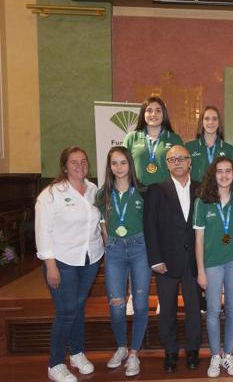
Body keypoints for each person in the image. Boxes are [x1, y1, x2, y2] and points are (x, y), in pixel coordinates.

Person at [35, 146, 104, 382]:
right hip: (62, 261)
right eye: (74, 162)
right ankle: (55, 363)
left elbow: (99, 222)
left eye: (83, 161)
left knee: (78, 307)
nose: (80, 165)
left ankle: (76, 352)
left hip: (90, 258)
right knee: (66, 312)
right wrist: (51, 266)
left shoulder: (94, 190)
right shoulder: (51, 195)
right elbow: (42, 233)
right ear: (65, 166)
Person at [143, 145, 201, 373]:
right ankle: (170, 351)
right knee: (166, 308)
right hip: (166, 261)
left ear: (190, 162)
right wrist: (155, 259)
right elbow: (150, 227)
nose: (177, 162)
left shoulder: (201, 189)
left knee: (194, 307)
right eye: (172, 159)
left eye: (181, 158)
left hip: (194, 260)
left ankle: (193, 349)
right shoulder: (156, 190)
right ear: (167, 164)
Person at [193, 156, 233, 378]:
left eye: (228, 171)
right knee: (214, 311)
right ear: (213, 174)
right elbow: (199, 239)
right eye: (220, 171)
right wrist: (200, 270)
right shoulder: (202, 201)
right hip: (211, 265)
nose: (224, 175)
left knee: (232, 310)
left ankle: (228, 354)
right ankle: (215, 356)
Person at [96, 146, 150, 377]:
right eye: (114, 163)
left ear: (130, 164)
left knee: (139, 304)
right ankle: (121, 347)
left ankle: (135, 353)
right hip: (115, 251)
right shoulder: (102, 195)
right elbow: (102, 225)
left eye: (123, 162)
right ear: (109, 167)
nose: (118, 167)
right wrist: (110, 245)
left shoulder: (143, 192)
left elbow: (150, 224)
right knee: (116, 306)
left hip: (140, 249)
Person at [123, 96, 184, 186]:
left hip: (166, 193)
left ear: (164, 114)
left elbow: (182, 168)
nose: (153, 114)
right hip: (137, 193)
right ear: (143, 114)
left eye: (158, 110)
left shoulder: (174, 139)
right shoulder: (132, 137)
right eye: (149, 110)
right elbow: (122, 165)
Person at [186, 106, 233, 182]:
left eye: (214, 119)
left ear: (219, 123)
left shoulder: (229, 149)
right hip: (197, 192)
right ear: (202, 123)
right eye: (207, 119)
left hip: (220, 192)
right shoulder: (189, 147)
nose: (210, 122)